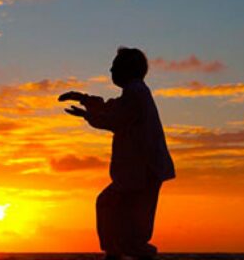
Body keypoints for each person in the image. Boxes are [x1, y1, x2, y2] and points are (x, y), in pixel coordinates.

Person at [58, 47, 175, 260]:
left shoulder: (136, 92)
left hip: (143, 173)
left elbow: (115, 119)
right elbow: (113, 108)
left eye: (115, 66)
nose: (110, 69)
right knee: (109, 208)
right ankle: (113, 254)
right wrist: (84, 99)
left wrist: (88, 114)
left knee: (131, 236)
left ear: (126, 69)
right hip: (138, 173)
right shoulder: (134, 92)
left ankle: (121, 253)